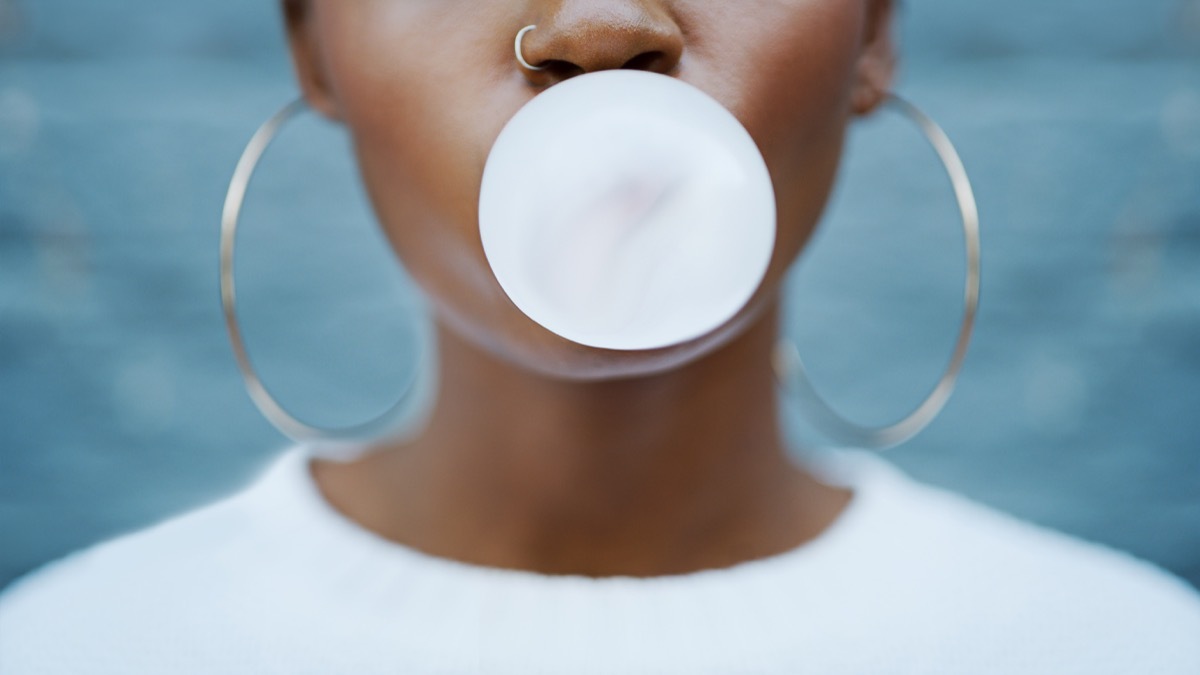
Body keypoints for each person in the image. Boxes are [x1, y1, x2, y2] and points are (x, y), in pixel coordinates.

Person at [1, 1, 1198, 672]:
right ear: (313, 43)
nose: (599, 28)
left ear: (874, 33)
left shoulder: (1127, 652)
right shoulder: (72, 650)